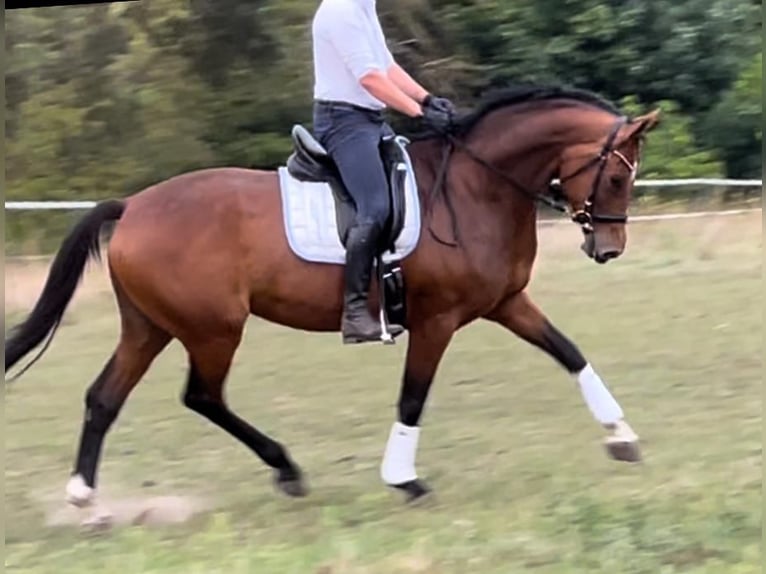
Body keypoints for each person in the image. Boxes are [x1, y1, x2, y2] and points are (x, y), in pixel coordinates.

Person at [311, 0, 456, 344]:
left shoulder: (364, 6)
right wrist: (417, 114)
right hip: (342, 122)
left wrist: (427, 99)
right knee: (375, 207)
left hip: (369, 121)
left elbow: (386, 66)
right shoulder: (340, 11)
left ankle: (396, 295)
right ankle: (356, 312)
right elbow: (370, 79)